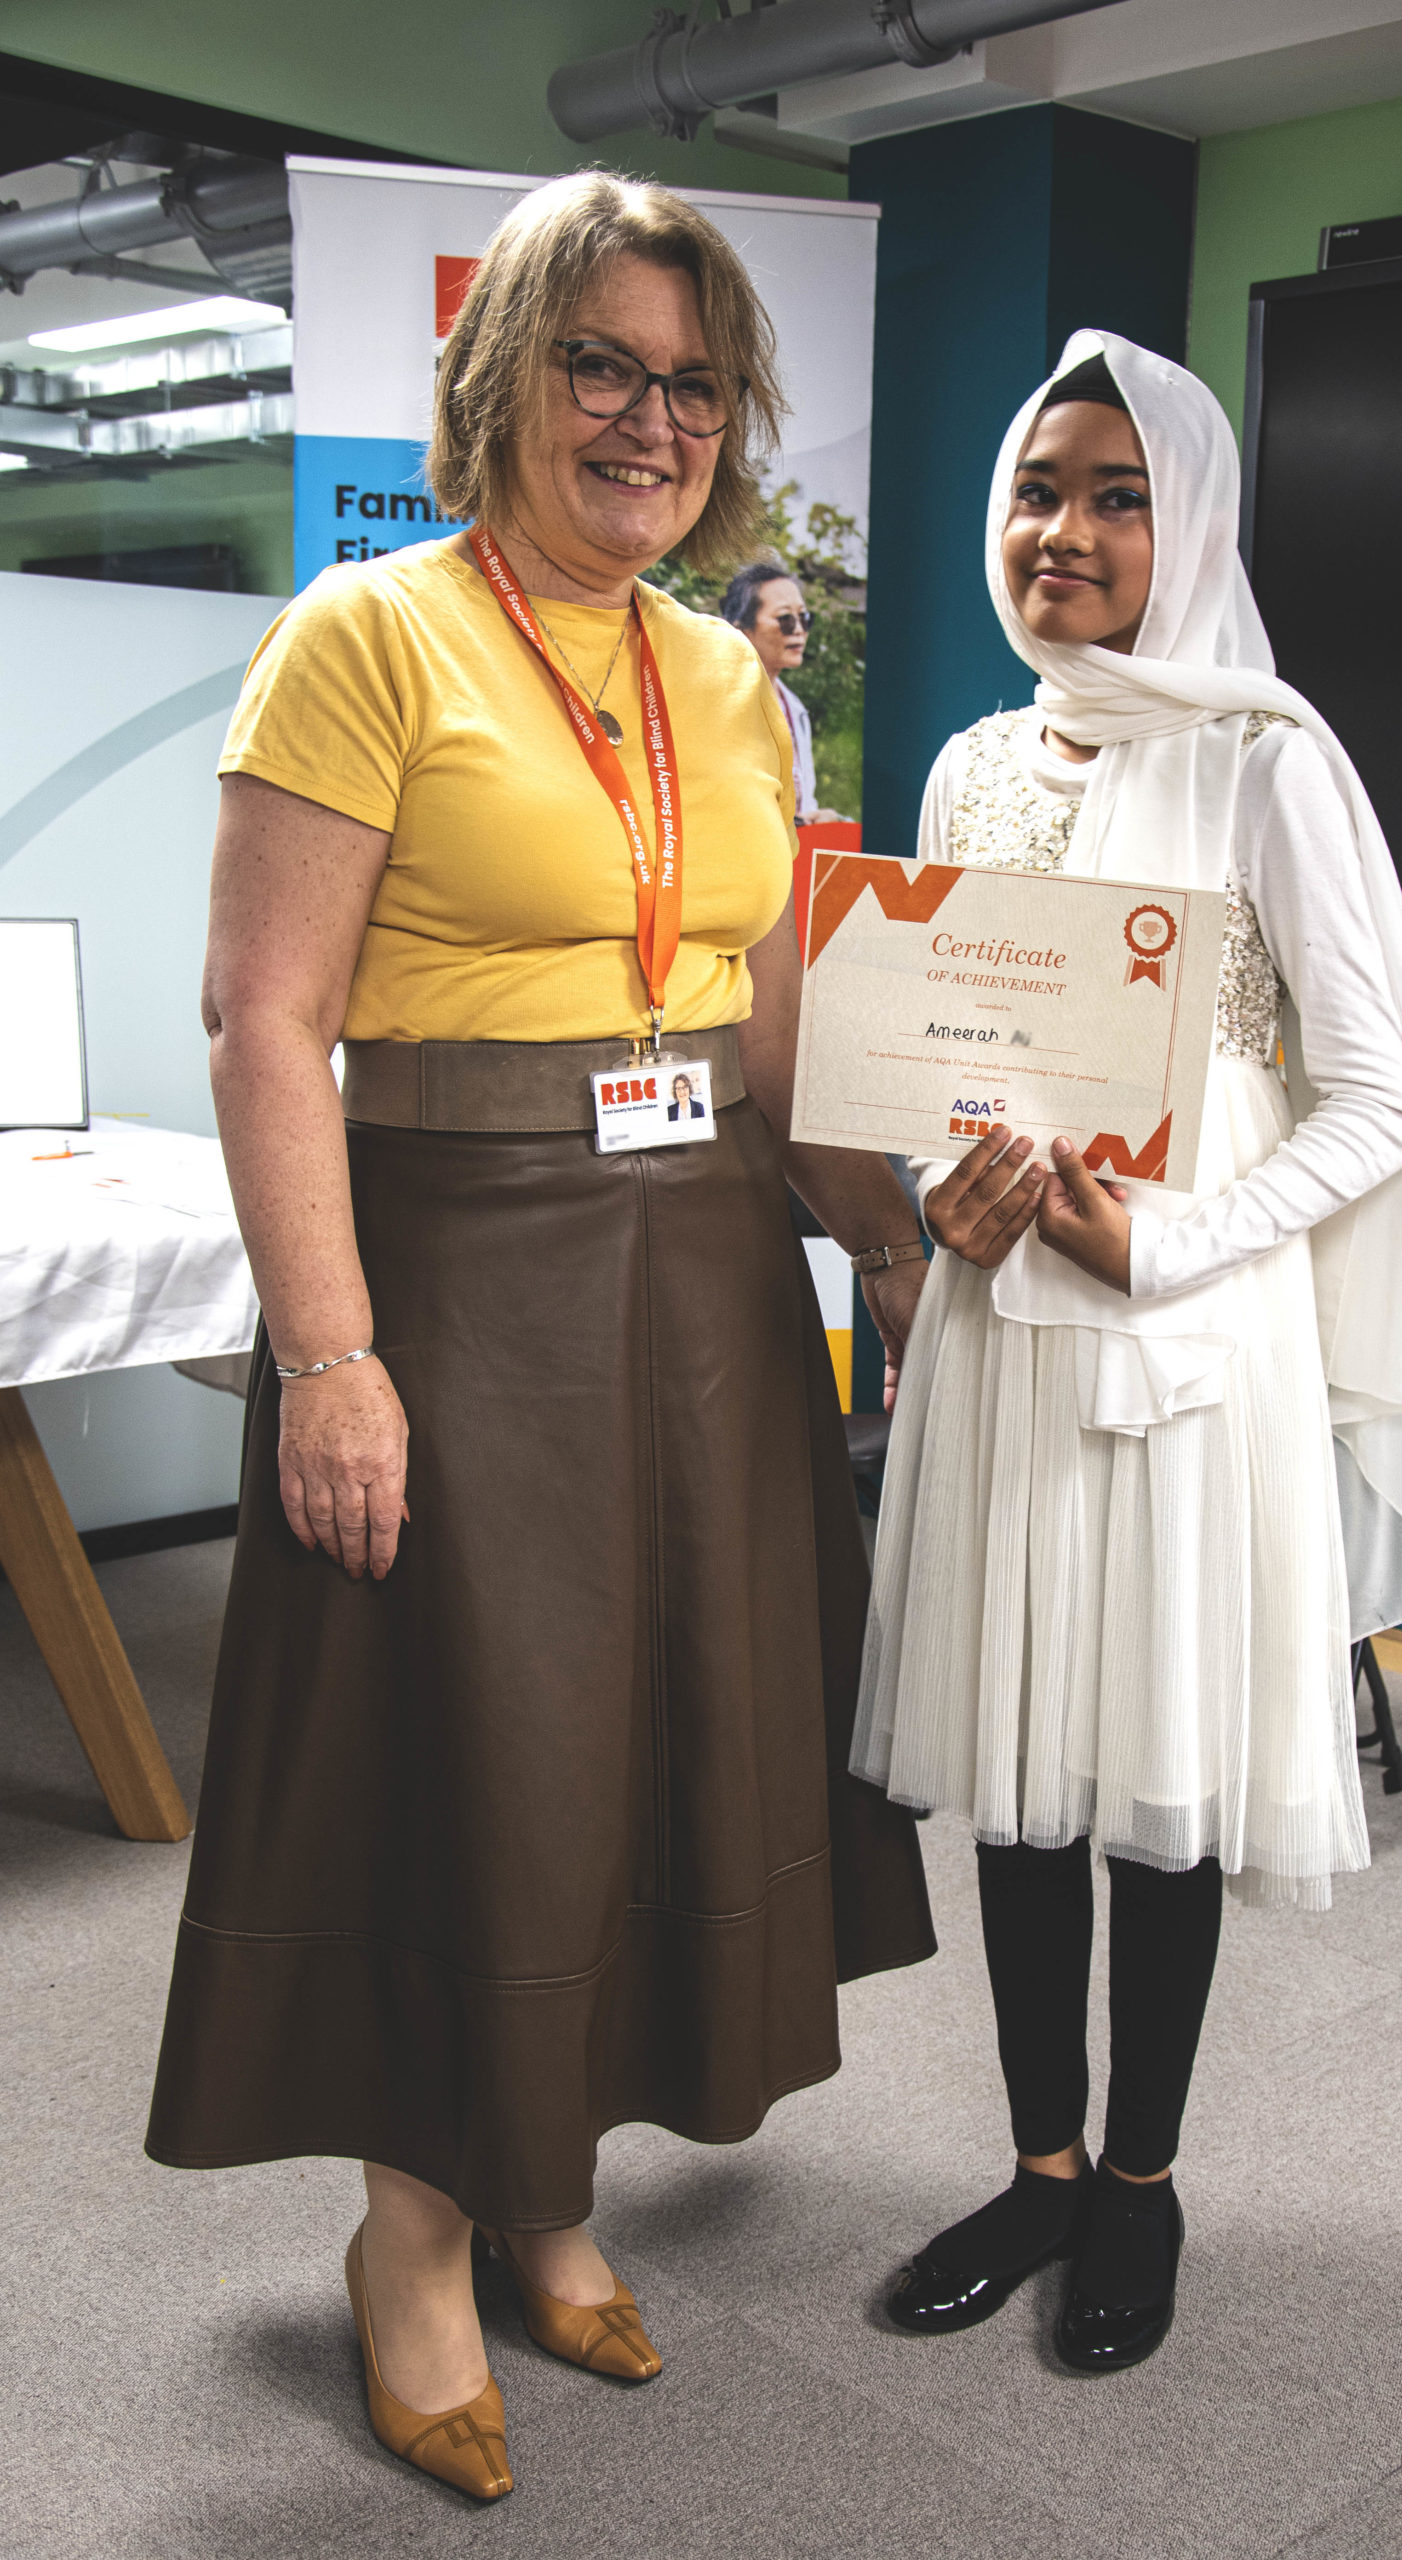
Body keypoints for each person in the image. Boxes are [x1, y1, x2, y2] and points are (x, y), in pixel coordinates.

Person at [144, 171, 935, 2504]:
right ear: (506, 374)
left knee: (644, 1755)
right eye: (601, 364)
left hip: (705, 1278)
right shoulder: (366, 638)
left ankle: (547, 2180)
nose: (648, 419)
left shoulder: (733, 683)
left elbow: (771, 1033)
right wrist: (327, 1353)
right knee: (471, 1762)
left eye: (691, 383)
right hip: (458, 1268)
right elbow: (263, 1020)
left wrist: (890, 1247)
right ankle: (412, 2233)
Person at [852, 333, 1402, 2376]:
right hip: (1000, 1345)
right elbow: (938, 1058)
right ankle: (1037, 2164)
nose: (1067, 530)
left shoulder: (1265, 760)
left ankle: (1139, 2180)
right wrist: (938, 1191)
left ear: (1187, 525)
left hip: (1189, 1346)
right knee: (1016, 1776)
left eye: (1118, 496)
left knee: (1153, 1780)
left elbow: (1381, 1101)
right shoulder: (968, 765)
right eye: (1039, 489)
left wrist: (1171, 1236)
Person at [720, 561, 825, 818]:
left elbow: (803, 796)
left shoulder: (794, 707)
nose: (799, 630)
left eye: (804, 618)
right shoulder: (719, 705)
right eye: (785, 619)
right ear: (742, 630)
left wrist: (816, 817)